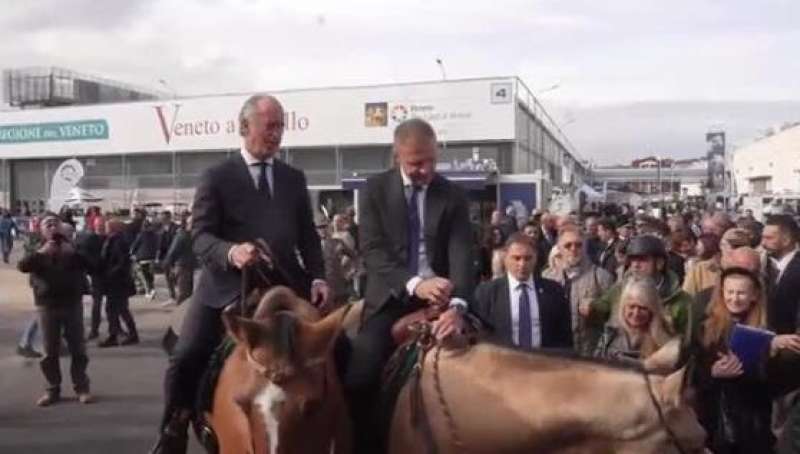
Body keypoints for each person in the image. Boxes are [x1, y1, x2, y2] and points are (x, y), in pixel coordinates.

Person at [150, 94, 329, 454]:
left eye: (281, 126)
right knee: (186, 356)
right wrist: (231, 252)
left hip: (285, 285)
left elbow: (308, 236)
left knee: (338, 349)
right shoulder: (216, 176)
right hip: (225, 286)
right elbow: (200, 236)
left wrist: (317, 277)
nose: (277, 134)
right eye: (270, 126)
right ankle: (174, 429)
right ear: (245, 127)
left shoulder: (294, 178)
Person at [347, 117, 473, 454]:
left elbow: (463, 255)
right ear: (397, 155)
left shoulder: (454, 196)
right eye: (417, 163)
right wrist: (415, 284)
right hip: (389, 300)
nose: (426, 169)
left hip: (444, 302)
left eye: (432, 160)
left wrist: (458, 307)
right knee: (359, 378)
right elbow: (372, 251)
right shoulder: (373, 190)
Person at [691, 267, 800, 453]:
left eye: (741, 293)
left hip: (753, 422)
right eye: (730, 292)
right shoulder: (705, 327)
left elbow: (778, 385)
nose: (734, 298)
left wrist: (771, 351)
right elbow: (692, 372)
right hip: (715, 419)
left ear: (754, 296)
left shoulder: (769, 328)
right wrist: (712, 373)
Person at [17, 212, 92, 406]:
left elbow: (92, 266)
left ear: (61, 227)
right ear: (41, 229)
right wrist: (42, 252)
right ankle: (52, 390)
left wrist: (73, 253)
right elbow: (23, 266)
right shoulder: (35, 247)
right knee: (49, 351)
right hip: (47, 305)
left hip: (72, 303)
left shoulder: (73, 246)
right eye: (47, 224)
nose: (52, 227)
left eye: (55, 223)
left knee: (78, 349)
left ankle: (82, 387)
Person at [585, 235, 694, 347]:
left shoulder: (682, 302)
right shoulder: (620, 289)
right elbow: (603, 306)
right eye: (632, 260)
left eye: (642, 260)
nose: (635, 265)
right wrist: (591, 306)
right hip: (620, 358)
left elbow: (688, 344)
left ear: (659, 263)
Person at [473, 233, 573, 350]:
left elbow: (564, 338)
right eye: (516, 258)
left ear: (535, 258)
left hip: (544, 364)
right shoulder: (487, 292)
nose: (522, 264)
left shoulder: (553, 291)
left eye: (527, 258)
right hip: (502, 364)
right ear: (505, 258)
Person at [543, 226, 614, 354]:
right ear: (559, 249)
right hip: (555, 354)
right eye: (568, 245)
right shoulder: (547, 277)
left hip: (589, 353)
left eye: (578, 245)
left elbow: (613, 317)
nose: (573, 249)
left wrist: (596, 308)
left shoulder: (601, 277)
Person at [594, 276, 675, 366]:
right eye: (632, 306)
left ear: (652, 309)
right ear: (623, 307)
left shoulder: (665, 342)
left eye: (643, 308)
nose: (636, 313)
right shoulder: (609, 336)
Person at [98, 218, 139, 348]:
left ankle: (117, 335)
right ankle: (120, 334)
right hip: (115, 281)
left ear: (114, 228)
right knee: (117, 309)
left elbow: (122, 262)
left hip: (117, 282)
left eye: (107, 226)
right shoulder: (114, 240)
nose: (104, 228)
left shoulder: (118, 242)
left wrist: (111, 273)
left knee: (116, 309)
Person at [762, 214, 800, 335]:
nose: (763, 243)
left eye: (769, 238)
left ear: (786, 240)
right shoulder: (766, 265)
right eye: (763, 237)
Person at [76, 216, 107, 340]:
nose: (101, 227)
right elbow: (84, 255)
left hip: (109, 275)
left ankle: (115, 329)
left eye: (102, 224)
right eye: (99, 224)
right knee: (97, 304)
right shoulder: (90, 239)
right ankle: (94, 329)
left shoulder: (109, 238)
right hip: (97, 274)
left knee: (114, 305)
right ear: (94, 226)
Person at [161, 213, 197, 306]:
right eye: (193, 224)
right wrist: (167, 263)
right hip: (182, 266)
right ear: (187, 224)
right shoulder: (182, 236)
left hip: (187, 265)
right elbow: (173, 251)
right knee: (184, 292)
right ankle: (180, 314)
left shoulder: (188, 235)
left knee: (187, 292)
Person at [130, 218, 159, 299]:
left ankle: (148, 291)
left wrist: (131, 253)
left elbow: (135, 246)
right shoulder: (155, 235)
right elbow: (156, 246)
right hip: (152, 258)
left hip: (142, 258)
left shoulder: (141, 235)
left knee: (144, 276)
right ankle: (152, 289)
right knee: (150, 275)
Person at [155, 211, 179, 302]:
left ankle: (180, 295)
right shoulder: (160, 229)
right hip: (165, 257)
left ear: (169, 218)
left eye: (164, 218)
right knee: (168, 277)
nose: (162, 220)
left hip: (175, 256)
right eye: (162, 218)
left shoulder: (176, 228)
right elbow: (159, 245)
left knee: (176, 276)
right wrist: (158, 257)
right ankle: (172, 296)